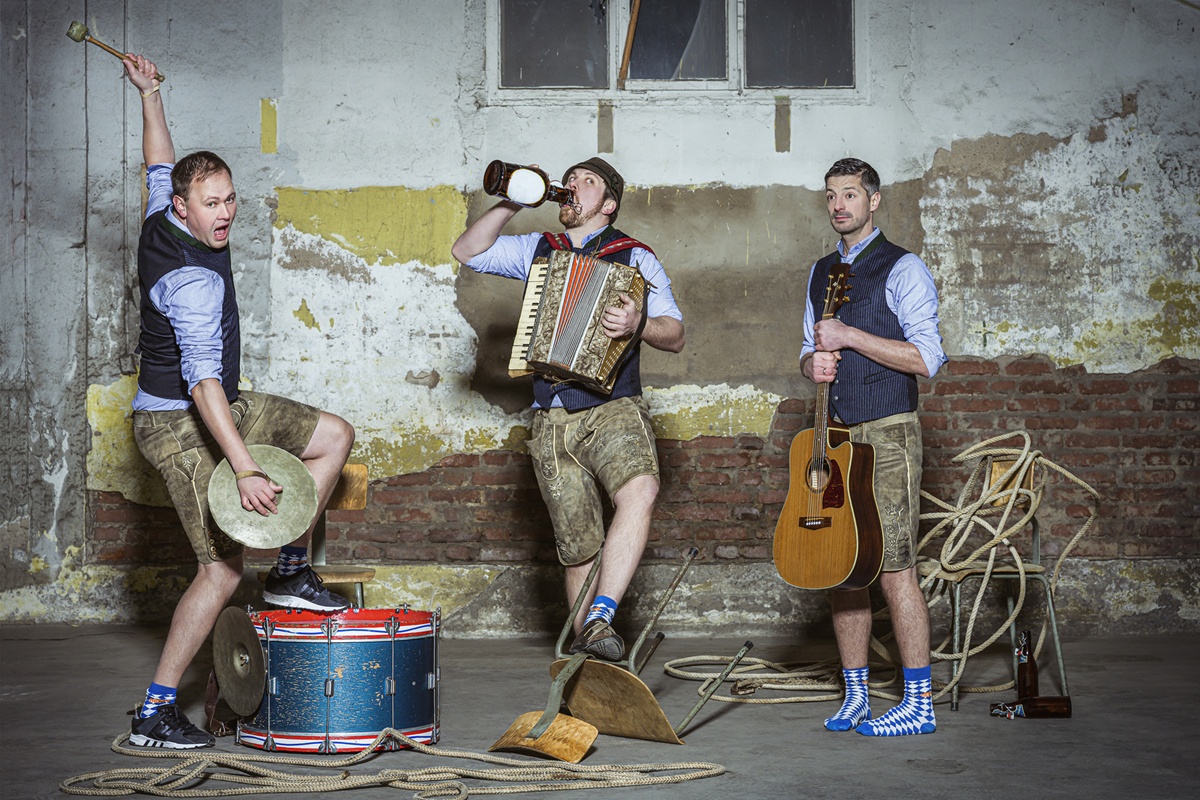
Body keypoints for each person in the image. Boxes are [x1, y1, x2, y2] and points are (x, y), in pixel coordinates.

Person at [121, 53, 356, 749]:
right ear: (182, 210)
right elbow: (201, 386)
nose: (225, 214)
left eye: (230, 199)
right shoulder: (191, 283)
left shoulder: (164, 208)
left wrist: (151, 95)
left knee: (333, 435)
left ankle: (290, 570)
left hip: (214, 399)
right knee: (221, 570)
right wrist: (248, 468)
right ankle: (155, 712)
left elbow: (157, 161)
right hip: (174, 423)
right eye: (212, 204)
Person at [451, 157, 684, 661]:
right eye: (571, 179)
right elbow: (466, 251)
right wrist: (515, 199)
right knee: (579, 545)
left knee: (640, 489)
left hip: (612, 404)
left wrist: (639, 324)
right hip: (551, 415)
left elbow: (676, 334)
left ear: (609, 204)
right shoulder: (539, 248)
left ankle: (601, 611)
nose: (573, 186)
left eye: (588, 182)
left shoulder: (636, 257)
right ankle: (591, 650)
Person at [799, 157, 947, 736]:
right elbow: (807, 352)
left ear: (874, 202)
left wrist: (851, 337)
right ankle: (856, 694)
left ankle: (919, 703)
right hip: (835, 436)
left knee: (894, 568)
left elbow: (926, 358)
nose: (840, 204)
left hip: (888, 430)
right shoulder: (818, 272)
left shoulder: (904, 267)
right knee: (844, 569)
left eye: (852, 194)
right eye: (832, 194)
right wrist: (816, 361)